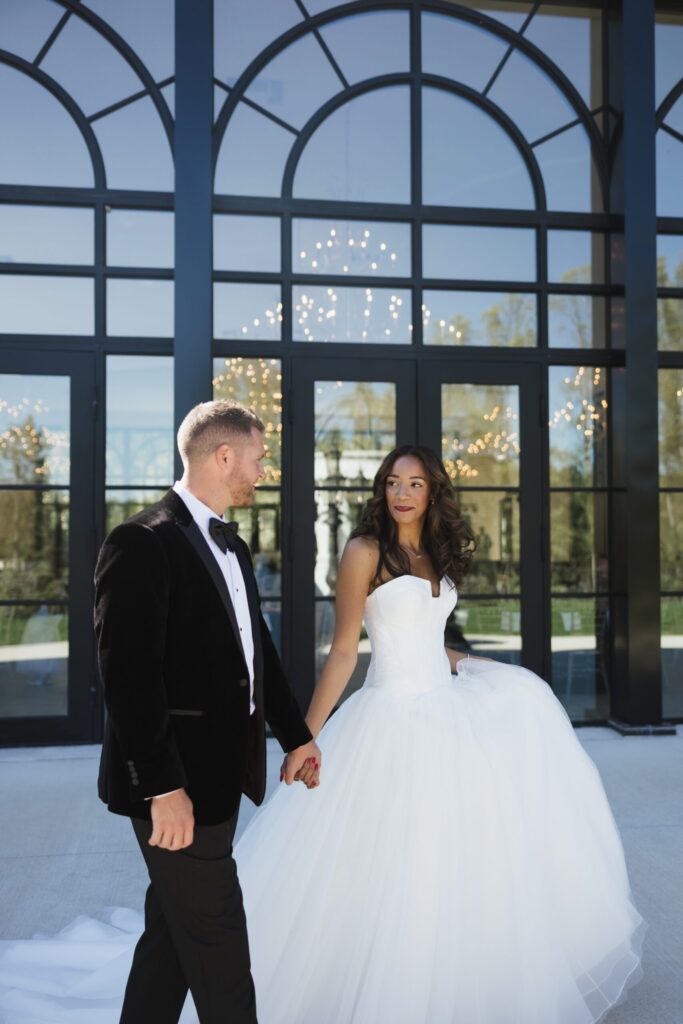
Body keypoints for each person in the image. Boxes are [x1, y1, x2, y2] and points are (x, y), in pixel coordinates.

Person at [0, 443, 646, 1024]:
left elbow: (427, 641)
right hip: (389, 721)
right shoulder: (363, 552)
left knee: (462, 858)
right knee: (378, 866)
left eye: (415, 483)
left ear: (433, 493)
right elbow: (342, 653)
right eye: (392, 481)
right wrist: (303, 737)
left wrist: (475, 664)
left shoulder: (437, 553)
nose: (401, 493)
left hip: (447, 714)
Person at [96, 398, 319, 1024]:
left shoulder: (233, 546)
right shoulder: (140, 542)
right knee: (221, 947)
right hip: (175, 789)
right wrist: (163, 788)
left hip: (218, 782)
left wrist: (296, 736)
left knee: (172, 940)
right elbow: (128, 680)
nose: (263, 470)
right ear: (224, 456)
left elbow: (257, 653)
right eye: (258, 458)